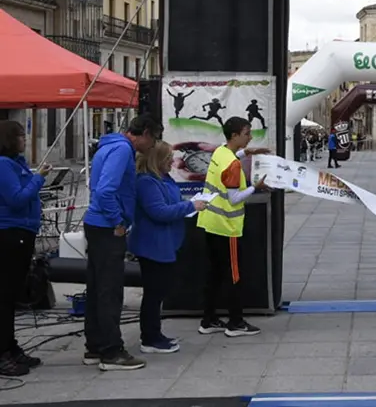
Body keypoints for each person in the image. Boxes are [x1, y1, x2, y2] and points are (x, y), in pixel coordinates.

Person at [83, 114, 162, 371]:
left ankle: (95, 346)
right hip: (107, 226)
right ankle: (111, 351)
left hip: (96, 224)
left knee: (97, 288)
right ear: (145, 133)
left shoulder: (109, 146)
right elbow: (106, 190)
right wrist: (118, 220)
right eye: (154, 140)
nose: (152, 146)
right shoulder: (121, 150)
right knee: (109, 290)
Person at [129, 141, 207, 354]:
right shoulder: (146, 182)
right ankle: (149, 338)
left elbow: (172, 203)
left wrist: (188, 204)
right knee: (154, 293)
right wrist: (190, 206)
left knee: (159, 291)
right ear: (156, 160)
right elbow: (160, 212)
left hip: (166, 243)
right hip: (153, 245)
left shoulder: (164, 178)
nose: (173, 162)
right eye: (168, 159)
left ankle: (156, 333)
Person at [196, 117, 271, 337]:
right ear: (235, 135)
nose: (250, 137)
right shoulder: (232, 164)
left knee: (215, 274)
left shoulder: (221, 152)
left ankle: (208, 320)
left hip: (210, 221)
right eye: (247, 133)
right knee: (234, 275)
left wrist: (247, 152)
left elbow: (231, 158)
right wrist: (255, 187)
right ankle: (235, 322)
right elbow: (235, 197)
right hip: (227, 226)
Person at [0, 120, 51, 376]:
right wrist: (39, 179)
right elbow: (17, 198)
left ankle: (10, 346)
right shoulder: (3, 165)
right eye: (21, 136)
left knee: (12, 294)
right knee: (5, 295)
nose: (25, 139)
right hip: (10, 233)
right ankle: (2, 352)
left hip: (23, 232)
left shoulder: (16, 163)